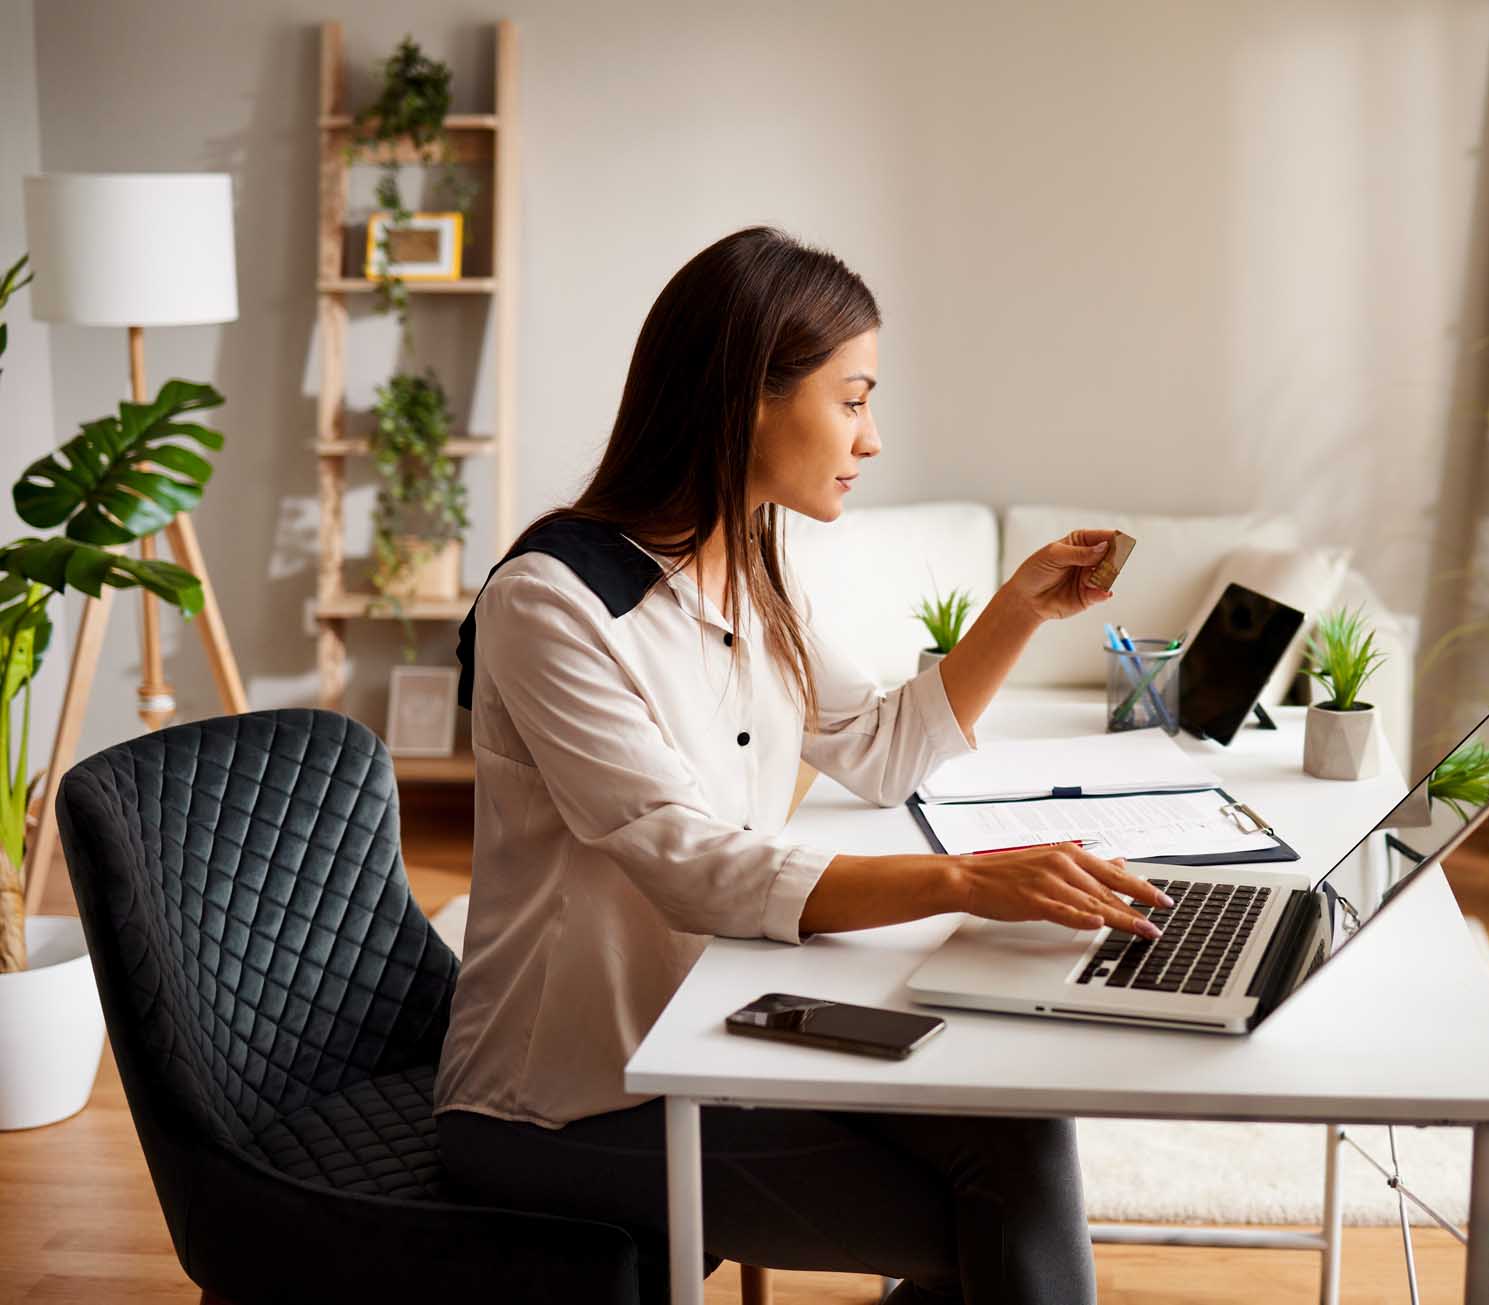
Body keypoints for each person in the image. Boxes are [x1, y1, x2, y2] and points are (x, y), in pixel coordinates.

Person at [433, 225, 1172, 1303]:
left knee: (1017, 1128)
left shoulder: (751, 561)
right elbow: (693, 866)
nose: (871, 438)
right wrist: (969, 879)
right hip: (573, 1098)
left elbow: (876, 750)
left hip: (732, 1019)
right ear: (748, 398)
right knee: (996, 1215)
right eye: (854, 396)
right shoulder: (551, 602)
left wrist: (1018, 610)